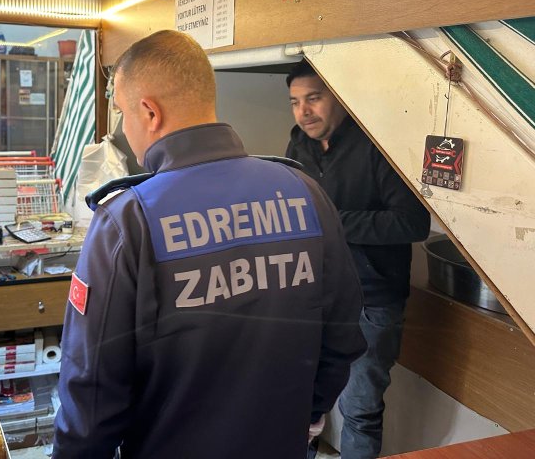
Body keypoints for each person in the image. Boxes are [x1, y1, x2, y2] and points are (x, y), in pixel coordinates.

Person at [52, 30, 366, 459]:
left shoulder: (128, 220)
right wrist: (301, 416)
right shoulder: (304, 191)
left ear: (150, 112)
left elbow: (91, 387)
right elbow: (343, 333)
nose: (124, 127)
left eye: (123, 112)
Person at [284, 59, 431, 459]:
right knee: (301, 405)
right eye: (295, 101)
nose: (304, 111)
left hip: (372, 300)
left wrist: (331, 220)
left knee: (360, 409)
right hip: (314, 296)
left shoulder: (377, 147)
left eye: (314, 98)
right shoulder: (298, 145)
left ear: (340, 97)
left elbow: (413, 222)